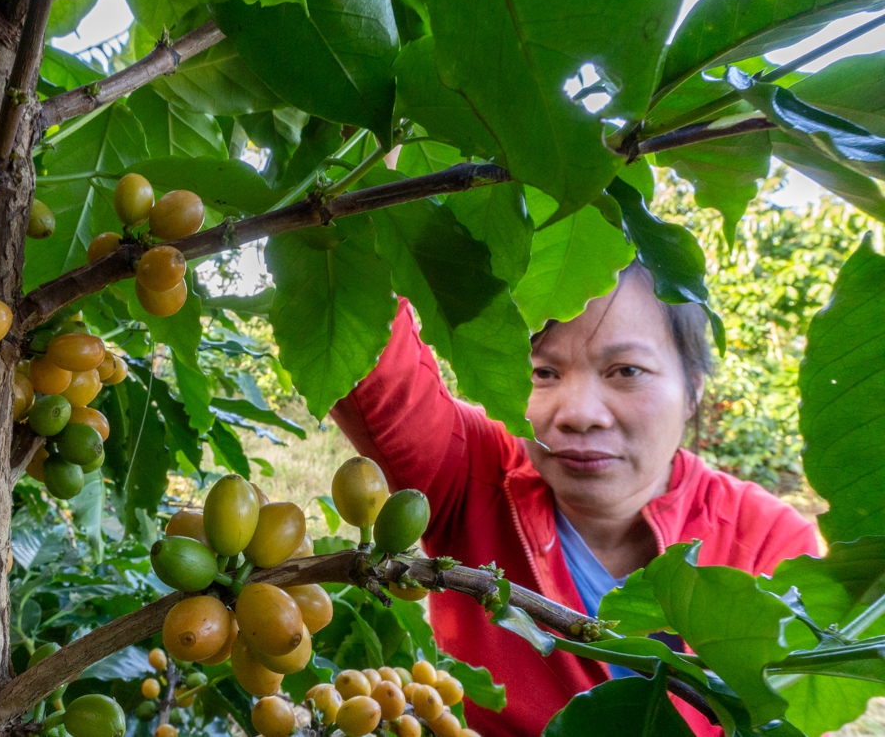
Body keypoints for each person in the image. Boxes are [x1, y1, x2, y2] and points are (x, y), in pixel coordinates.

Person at [331, 263, 818, 737]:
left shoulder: (774, 545)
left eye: (626, 370)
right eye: (543, 372)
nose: (579, 414)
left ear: (693, 389)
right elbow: (362, 348)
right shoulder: (473, 470)